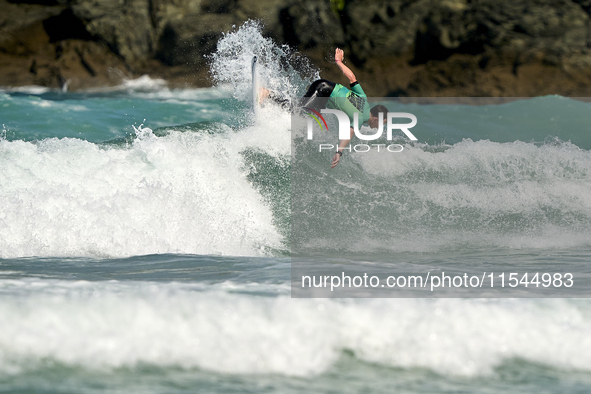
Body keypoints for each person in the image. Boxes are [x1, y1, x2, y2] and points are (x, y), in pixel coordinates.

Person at [261, 48, 388, 168]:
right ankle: (268, 94)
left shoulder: (364, 98)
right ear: (376, 118)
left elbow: (352, 78)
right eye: (383, 123)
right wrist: (339, 152)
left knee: (307, 119)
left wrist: (338, 61)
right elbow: (349, 134)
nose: (380, 127)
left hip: (324, 86)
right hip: (322, 91)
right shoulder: (361, 117)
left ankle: (273, 109)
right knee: (298, 113)